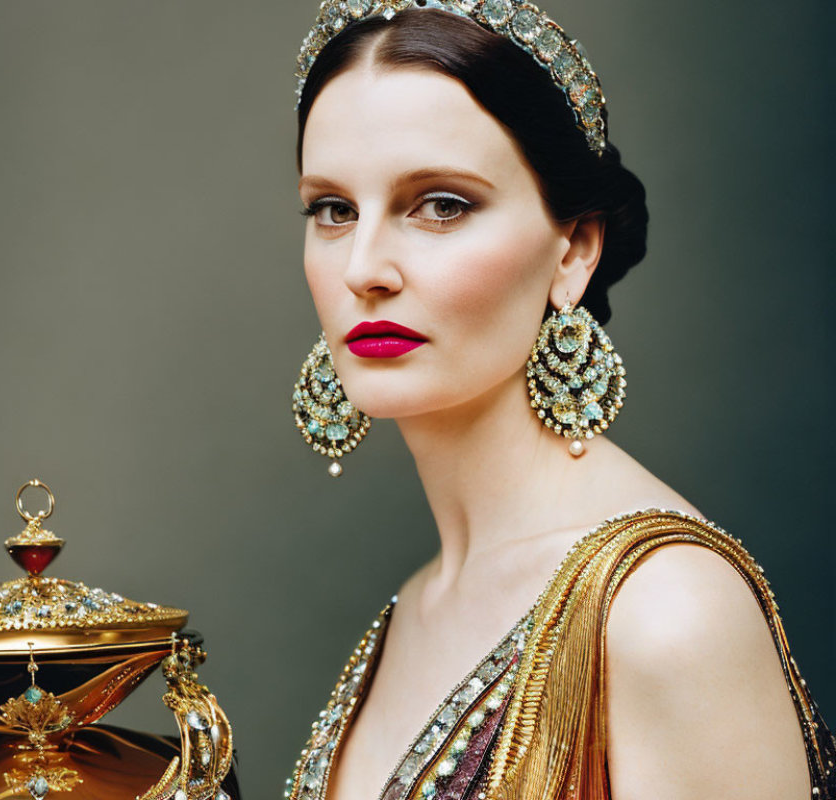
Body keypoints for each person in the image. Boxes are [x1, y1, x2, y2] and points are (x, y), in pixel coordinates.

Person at [283, 2, 835, 800]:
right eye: (333, 210)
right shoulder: (421, 601)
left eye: (440, 204)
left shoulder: (667, 614)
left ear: (574, 248)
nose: (363, 268)